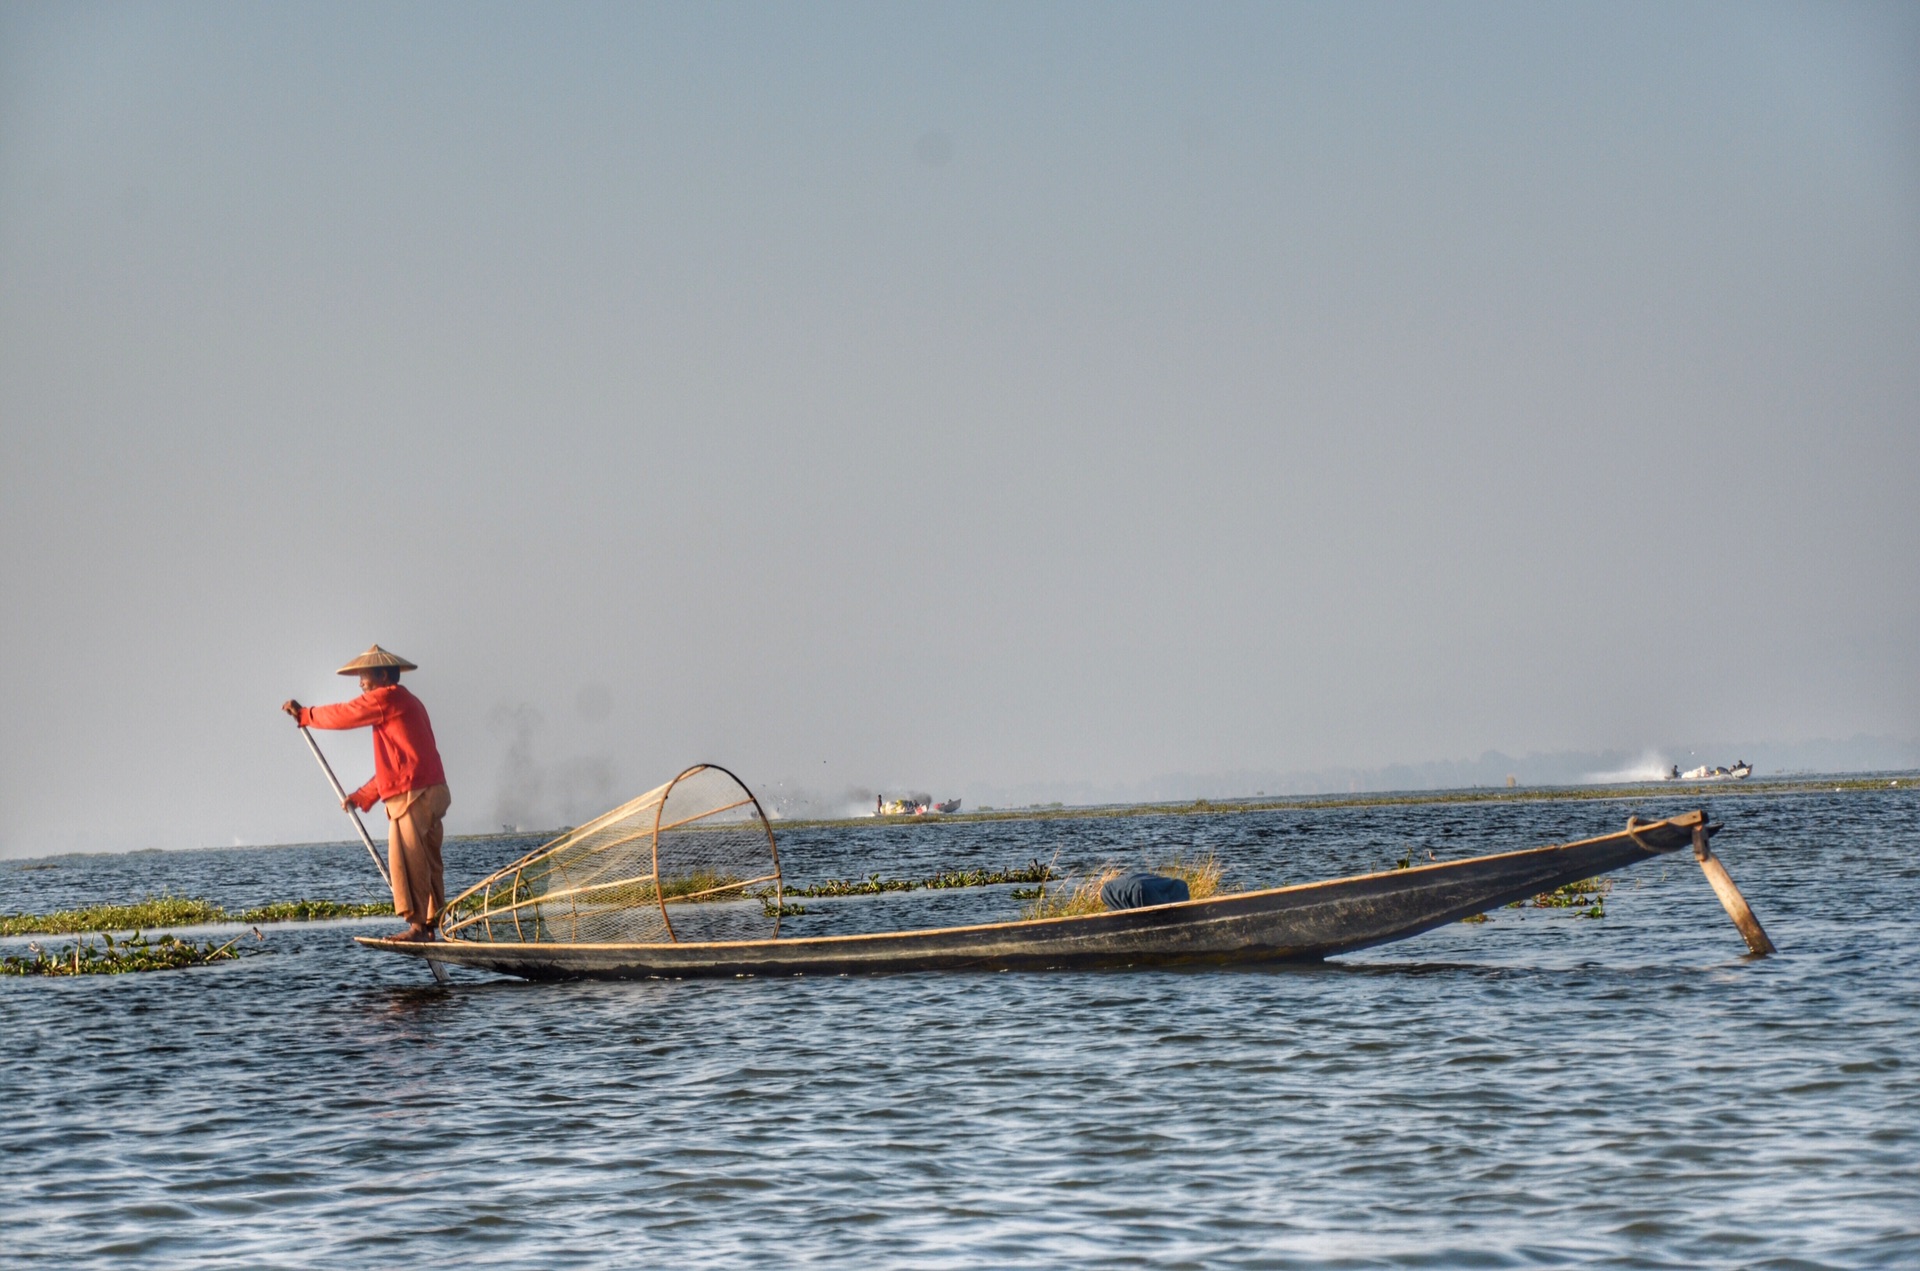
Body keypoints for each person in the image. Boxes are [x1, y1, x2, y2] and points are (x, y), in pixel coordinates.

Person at [282, 645, 451, 942]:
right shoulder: (409, 702)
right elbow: (401, 763)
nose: (361, 684)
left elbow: (347, 714)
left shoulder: (388, 698)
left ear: (383, 675)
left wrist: (305, 715)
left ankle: (418, 929)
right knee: (428, 860)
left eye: (364, 677)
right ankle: (431, 923)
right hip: (430, 789)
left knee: (408, 858)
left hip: (414, 794)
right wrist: (363, 796)